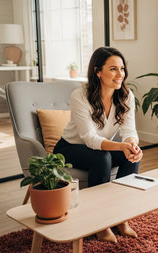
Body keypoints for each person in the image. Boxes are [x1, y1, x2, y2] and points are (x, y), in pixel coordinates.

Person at [54, 47, 143, 243]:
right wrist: (121, 146)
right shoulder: (80, 95)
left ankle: (121, 217)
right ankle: (100, 224)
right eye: (113, 69)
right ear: (97, 71)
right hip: (69, 148)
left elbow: (129, 131)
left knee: (131, 155)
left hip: (99, 147)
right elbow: (89, 138)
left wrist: (132, 146)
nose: (120, 74)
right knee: (103, 157)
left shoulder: (126, 96)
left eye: (122, 68)